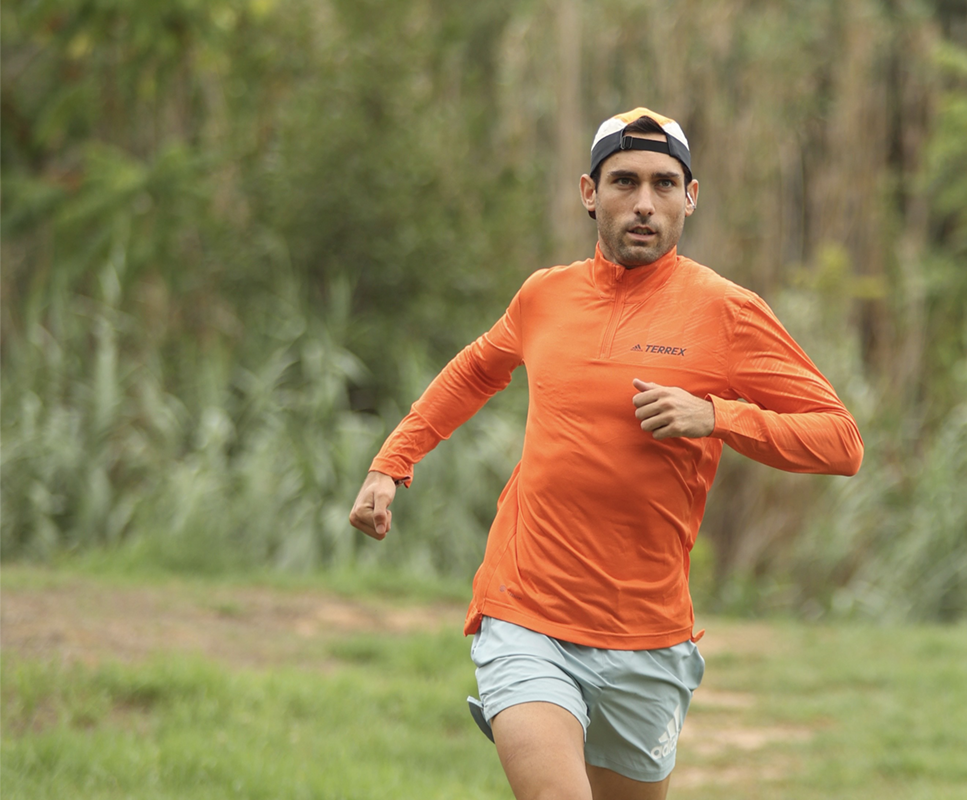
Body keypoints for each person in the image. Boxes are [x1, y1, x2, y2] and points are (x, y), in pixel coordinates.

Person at [349, 107, 863, 800]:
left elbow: (840, 441)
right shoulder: (544, 296)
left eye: (662, 184)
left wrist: (714, 415)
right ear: (589, 192)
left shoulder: (725, 311)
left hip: (647, 637)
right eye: (623, 182)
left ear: (691, 196)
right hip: (525, 609)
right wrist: (392, 461)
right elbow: (476, 371)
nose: (643, 203)